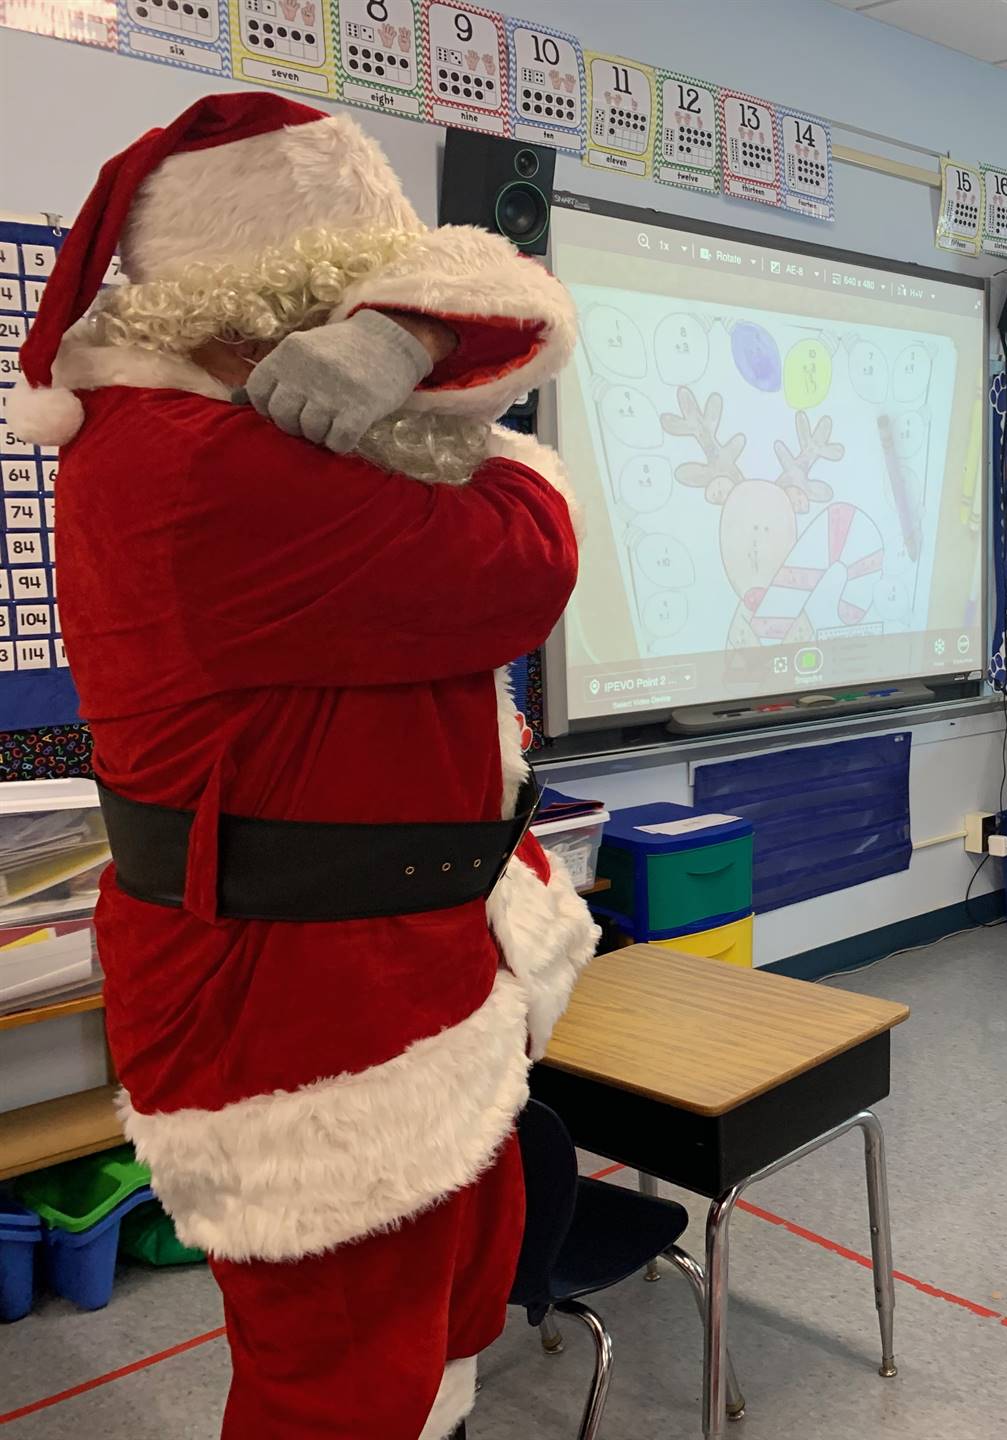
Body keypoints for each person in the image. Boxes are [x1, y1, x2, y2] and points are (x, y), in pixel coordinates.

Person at [13, 93, 594, 1439]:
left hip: (408, 970)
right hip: (308, 1013)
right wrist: (445, 371)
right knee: (337, 1378)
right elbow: (530, 550)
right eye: (349, 299)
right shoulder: (195, 469)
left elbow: (501, 332)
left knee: (438, 1314)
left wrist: (415, 335)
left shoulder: (246, 440)